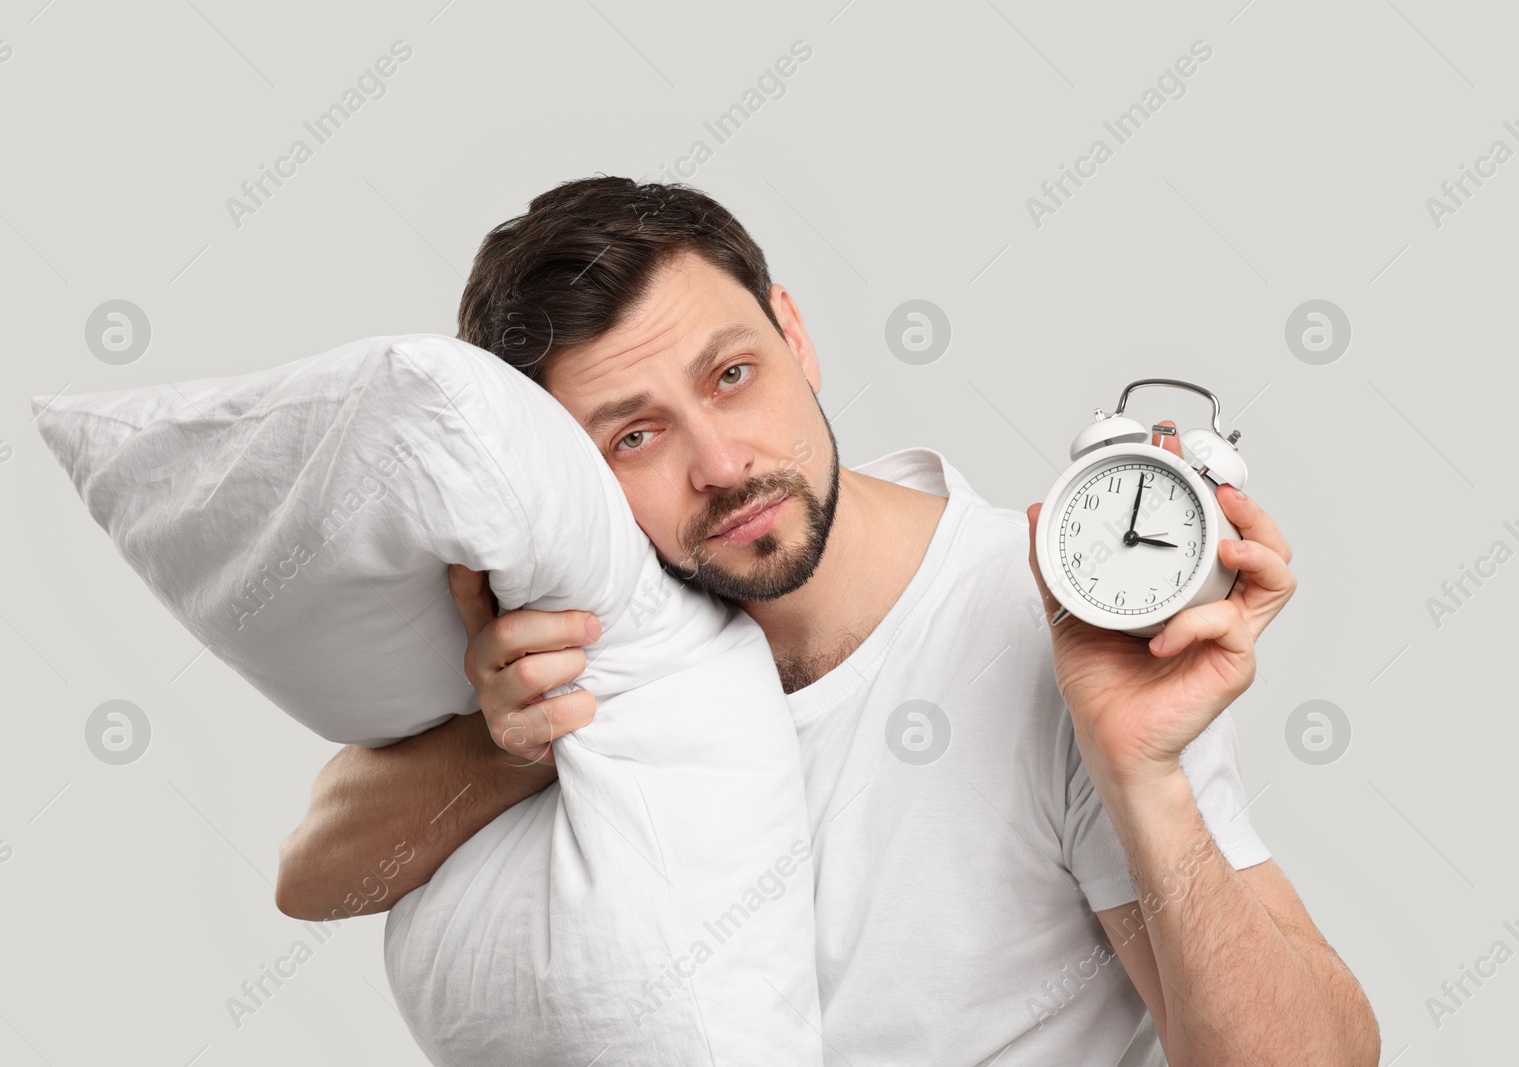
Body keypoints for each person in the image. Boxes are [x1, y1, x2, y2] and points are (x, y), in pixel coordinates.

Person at [275, 176, 1379, 1063]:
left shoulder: (1035, 619)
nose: (722, 464)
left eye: (733, 373)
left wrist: (1145, 778)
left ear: (795, 335)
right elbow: (314, 878)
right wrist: (508, 737)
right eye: (633, 437)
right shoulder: (608, 633)